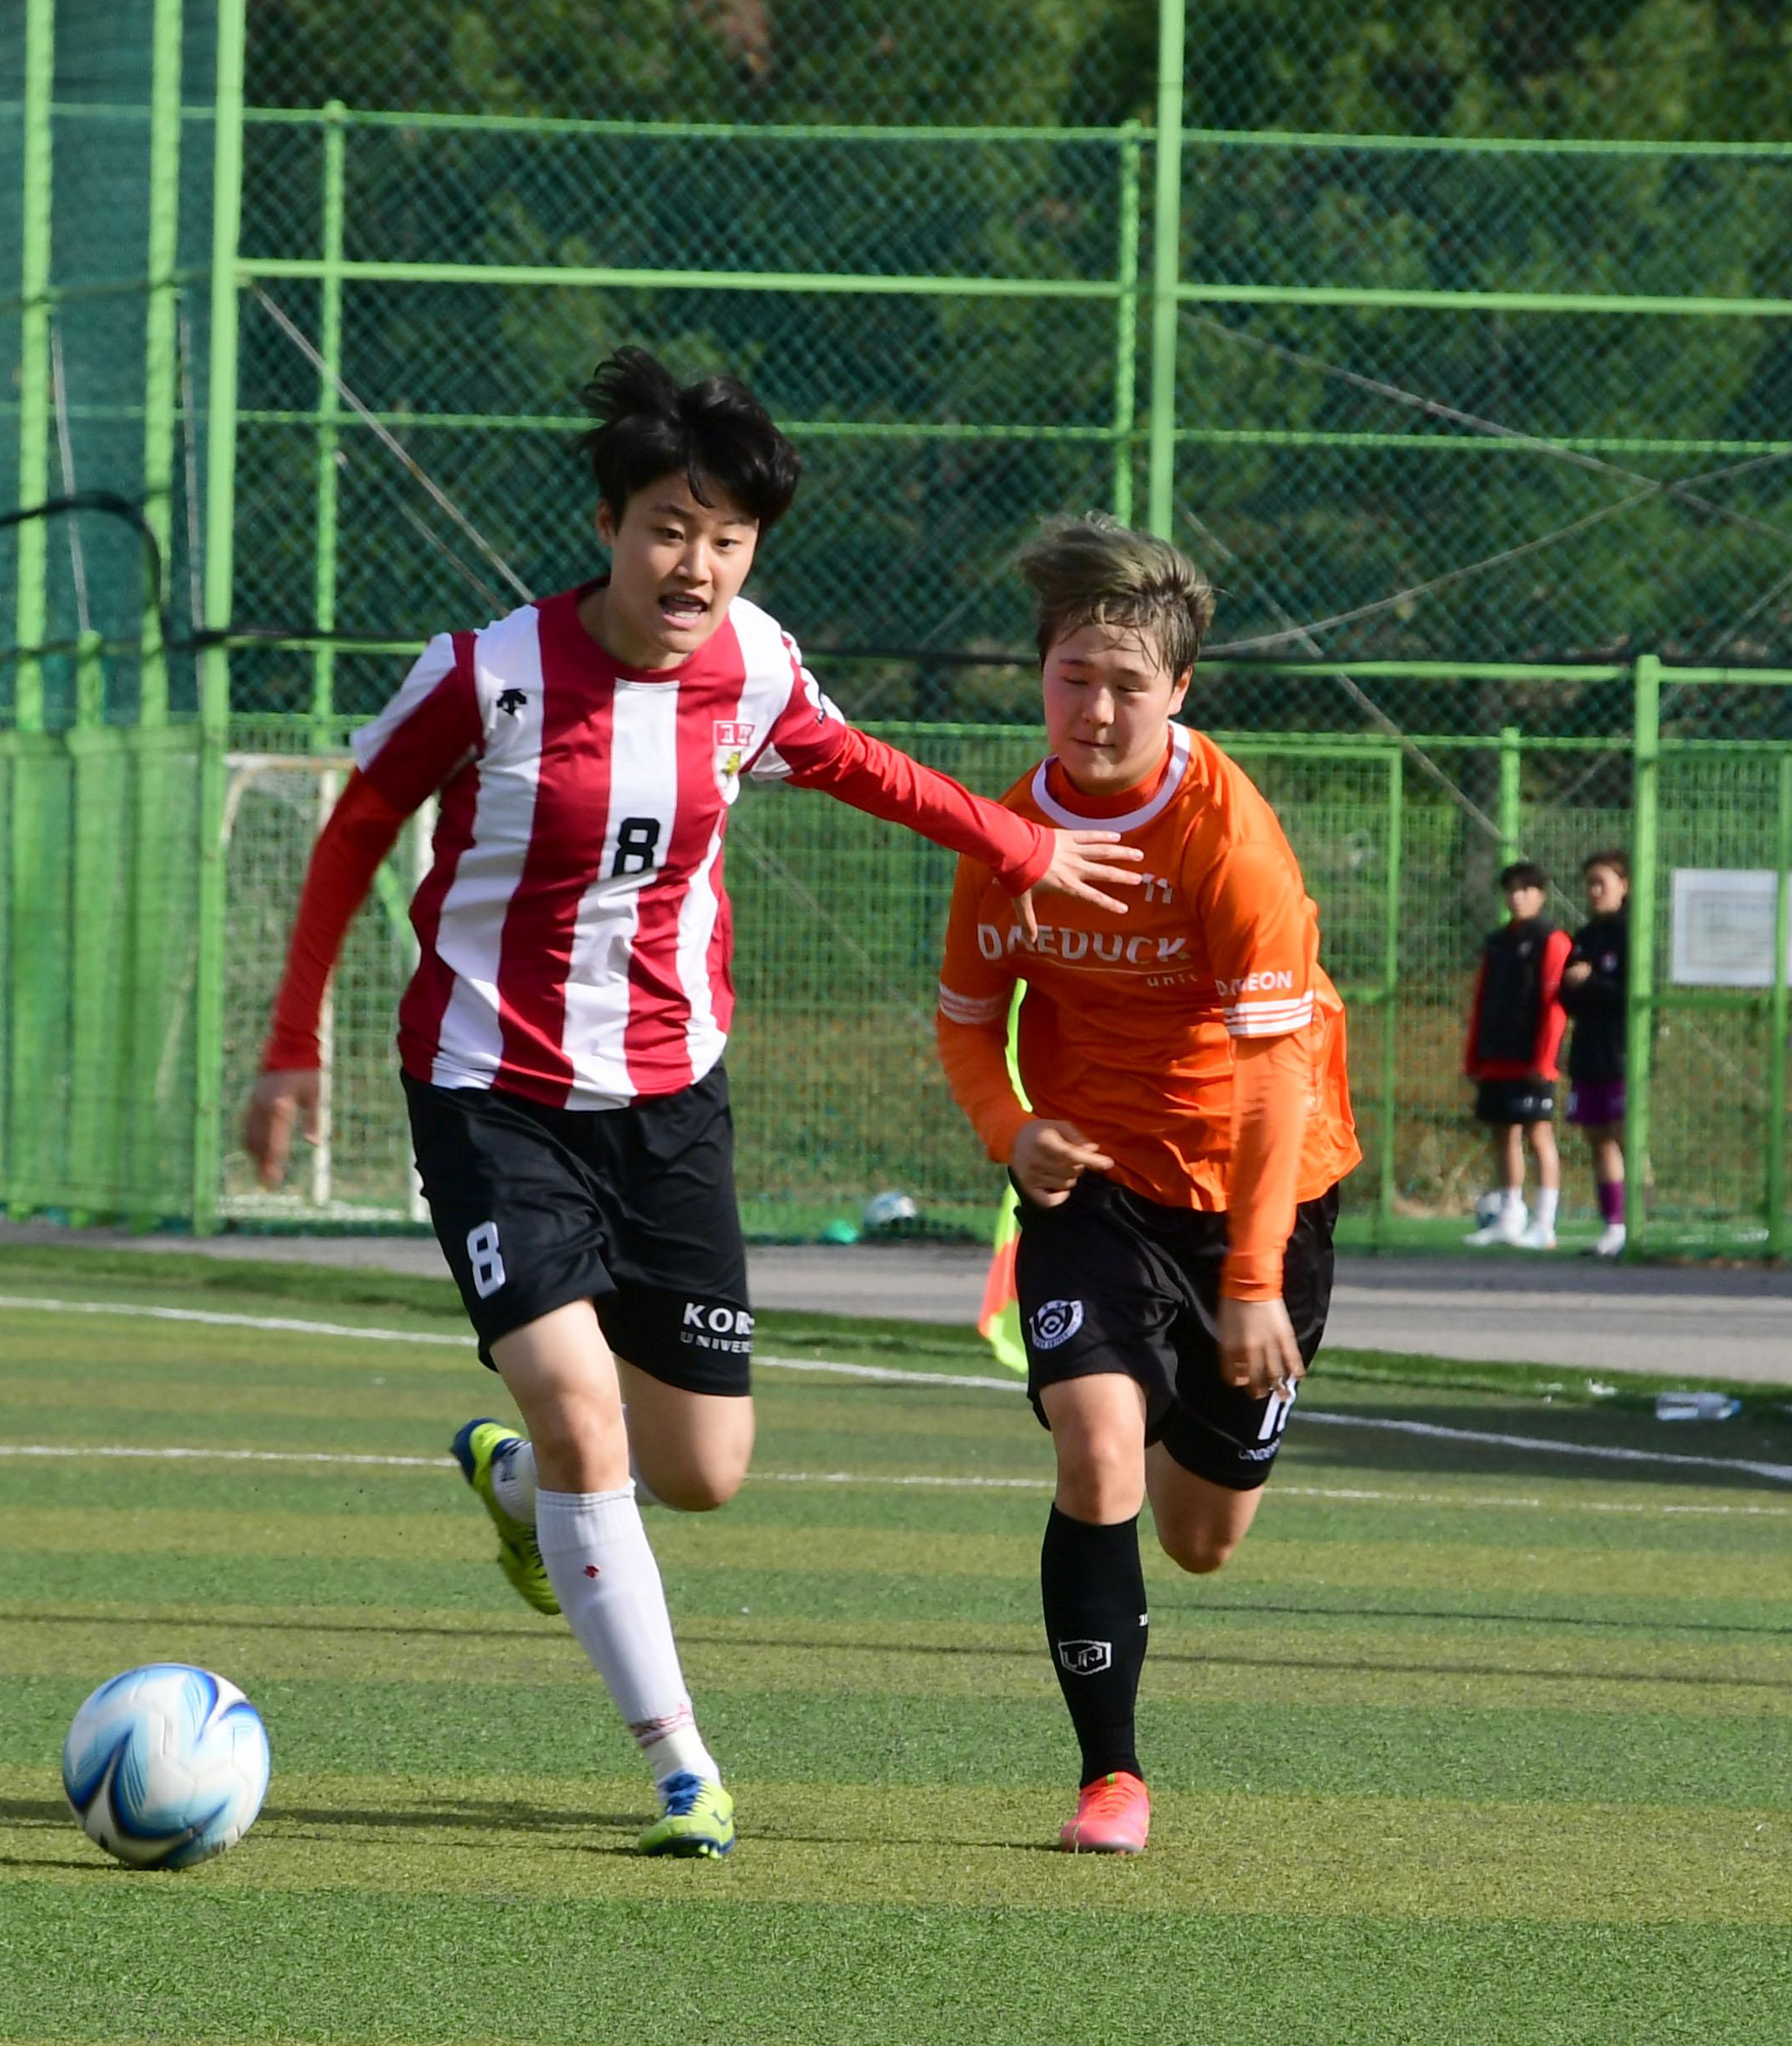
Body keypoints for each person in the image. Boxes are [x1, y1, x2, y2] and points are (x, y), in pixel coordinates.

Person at [239, 350, 1142, 1860]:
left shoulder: (758, 664)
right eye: (669, 527)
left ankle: (521, 1487)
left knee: (701, 1472)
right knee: (583, 1399)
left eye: (727, 541)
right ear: (607, 524)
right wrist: (289, 1042)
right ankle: (679, 1765)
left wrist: (1015, 842)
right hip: (489, 1093)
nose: (696, 565)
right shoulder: (488, 674)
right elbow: (355, 831)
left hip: (668, 1104)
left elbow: (849, 762)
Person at [931, 517, 1360, 1857]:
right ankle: (1110, 1779)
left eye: (1128, 683)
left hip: (1261, 1187)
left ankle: (1198, 1387)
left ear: (1180, 689)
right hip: (1094, 1193)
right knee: (1096, 1445)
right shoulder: (1006, 834)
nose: (1097, 708)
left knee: (1201, 1538)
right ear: (1041, 674)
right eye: (1073, 676)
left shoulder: (1232, 846)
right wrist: (1011, 1128)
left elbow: (1275, 1077)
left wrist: (1248, 1278)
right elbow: (962, 1012)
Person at [1463, 860, 1571, 1248]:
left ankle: (1545, 1224)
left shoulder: (1553, 940)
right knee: (1503, 1134)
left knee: (1539, 1134)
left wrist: (1544, 1060)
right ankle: (1509, 1216)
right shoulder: (1497, 942)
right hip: (1498, 1055)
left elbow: (1553, 1005)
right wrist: (1474, 1056)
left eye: (1526, 889)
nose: (1517, 897)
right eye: (1511, 890)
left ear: (1540, 895)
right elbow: (1482, 1001)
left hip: (1532, 1060)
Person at [1561, 849, 1632, 1257]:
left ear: (1624, 886)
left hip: (1622, 1051)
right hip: (1588, 1051)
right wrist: (1571, 985)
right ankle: (1614, 1226)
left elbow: (1629, 996)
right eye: (1590, 883)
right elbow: (1569, 996)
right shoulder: (1585, 935)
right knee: (1598, 1137)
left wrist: (1592, 982)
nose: (1594, 890)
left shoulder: (1630, 934)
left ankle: (1640, 1222)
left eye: (1602, 882)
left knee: (1626, 1136)